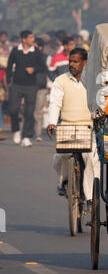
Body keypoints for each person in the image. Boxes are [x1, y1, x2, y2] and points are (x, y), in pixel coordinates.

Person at [47, 48, 100, 211]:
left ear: (84, 63)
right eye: (70, 61)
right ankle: (64, 181)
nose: (71, 64)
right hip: (67, 126)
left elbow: (101, 101)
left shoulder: (93, 81)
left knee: (91, 159)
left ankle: (90, 197)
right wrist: (51, 122)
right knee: (59, 157)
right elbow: (55, 102)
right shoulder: (61, 80)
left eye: (75, 61)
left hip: (88, 127)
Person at [6, 30, 47, 147]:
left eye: (33, 37)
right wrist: (9, 80)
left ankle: (26, 137)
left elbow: (43, 66)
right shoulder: (15, 51)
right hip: (16, 85)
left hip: (31, 86)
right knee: (13, 109)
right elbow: (9, 66)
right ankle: (16, 130)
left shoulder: (36, 52)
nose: (33, 39)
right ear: (23, 39)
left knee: (30, 112)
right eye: (30, 37)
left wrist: (34, 69)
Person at [34, 38, 49, 141]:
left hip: (41, 87)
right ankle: (28, 132)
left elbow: (49, 72)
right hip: (29, 86)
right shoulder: (28, 57)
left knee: (38, 111)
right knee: (30, 110)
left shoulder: (46, 58)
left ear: (40, 47)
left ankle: (38, 134)